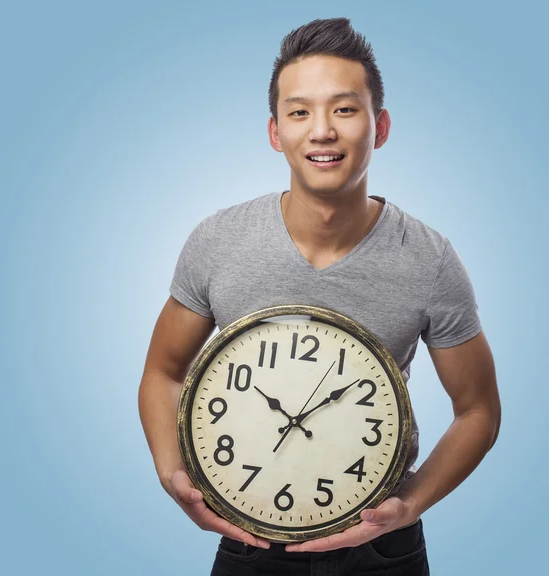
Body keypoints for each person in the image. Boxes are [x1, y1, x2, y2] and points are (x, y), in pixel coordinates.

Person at [138, 17, 501, 576]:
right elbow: (163, 370)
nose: (322, 130)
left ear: (379, 127)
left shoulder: (429, 259)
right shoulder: (219, 241)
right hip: (247, 542)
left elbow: (477, 410)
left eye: (345, 109)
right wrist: (172, 476)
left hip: (382, 549)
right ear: (275, 131)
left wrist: (412, 504)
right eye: (299, 111)